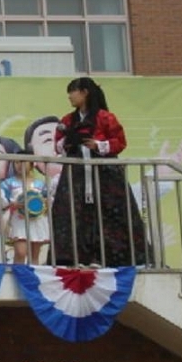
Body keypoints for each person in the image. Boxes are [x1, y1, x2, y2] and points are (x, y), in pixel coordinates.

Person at [51, 77, 146, 267]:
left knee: (109, 213)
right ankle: (74, 259)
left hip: (105, 174)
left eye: (72, 91)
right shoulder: (68, 120)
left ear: (84, 92)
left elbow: (120, 142)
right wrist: (69, 140)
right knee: (72, 213)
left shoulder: (105, 117)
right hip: (76, 174)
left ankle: (109, 258)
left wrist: (98, 144)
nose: (70, 96)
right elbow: (58, 145)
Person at [0, 151, 49, 264]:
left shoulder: (40, 184)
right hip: (19, 220)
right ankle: (18, 277)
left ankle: (33, 278)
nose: (19, 165)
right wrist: (12, 205)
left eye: (23, 162)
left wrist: (45, 204)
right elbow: (2, 202)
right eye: (16, 162)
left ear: (31, 163)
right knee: (21, 252)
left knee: (34, 255)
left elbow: (47, 201)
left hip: (37, 220)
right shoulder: (8, 183)